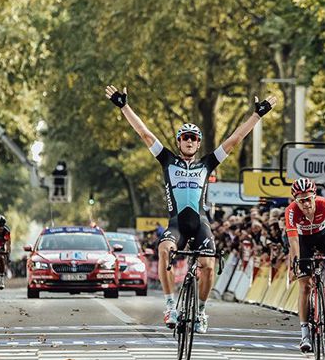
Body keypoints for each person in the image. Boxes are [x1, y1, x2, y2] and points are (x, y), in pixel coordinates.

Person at [105, 84, 276, 334]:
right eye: (185, 137)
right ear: (179, 141)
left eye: (193, 138)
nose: (189, 141)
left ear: (198, 143)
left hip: (200, 224)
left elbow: (235, 140)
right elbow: (144, 134)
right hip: (176, 224)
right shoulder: (167, 160)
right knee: (164, 250)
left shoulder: (207, 163)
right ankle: (170, 306)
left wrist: (257, 115)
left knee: (208, 264)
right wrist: (124, 107)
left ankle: (201, 311)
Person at [285, 178, 325, 353]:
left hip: (323, 234)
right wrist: (296, 261)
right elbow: (293, 241)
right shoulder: (291, 211)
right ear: (295, 200)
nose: (306, 204)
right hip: (302, 240)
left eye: (308, 199)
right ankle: (305, 334)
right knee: (305, 286)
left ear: (314, 196)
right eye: (301, 201)